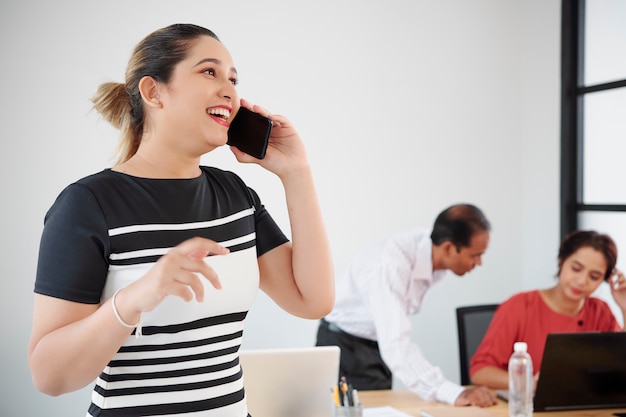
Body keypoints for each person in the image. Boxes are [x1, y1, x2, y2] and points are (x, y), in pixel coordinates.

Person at [27, 23, 334, 417]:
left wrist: (297, 174)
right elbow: (49, 376)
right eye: (209, 72)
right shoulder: (87, 205)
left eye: (233, 79)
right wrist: (136, 297)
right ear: (154, 91)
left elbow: (312, 300)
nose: (229, 90)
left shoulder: (236, 196)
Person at [316, 204, 497, 407]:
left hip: (373, 344)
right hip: (348, 347)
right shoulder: (389, 266)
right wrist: (453, 393)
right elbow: (396, 344)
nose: (479, 262)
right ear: (448, 248)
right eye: (475, 255)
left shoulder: (430, 250)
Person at [470, 230, 626, 390]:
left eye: (594, 277)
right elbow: (481, 372)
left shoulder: (600, 311)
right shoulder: (520, 306)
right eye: (576, 268)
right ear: (561, 261)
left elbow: (620, 366)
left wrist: (625, 307)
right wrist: (530, 383)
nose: (581, 281)